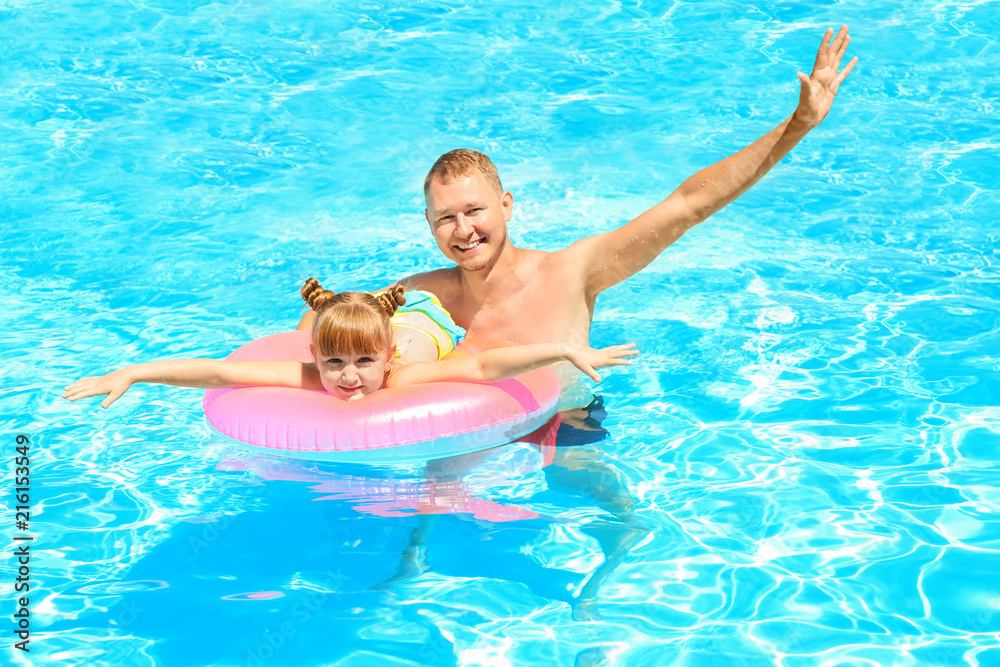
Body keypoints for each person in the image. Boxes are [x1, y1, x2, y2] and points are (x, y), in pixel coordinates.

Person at [297, 26, 858, 350]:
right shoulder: (416, 294)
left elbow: (689, 205)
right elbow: (325, 318)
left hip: (568, 428)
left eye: (475, 211)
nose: (463, 231)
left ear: (507, 205)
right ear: (429, 225)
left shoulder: (572, 273)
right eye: (446, 218)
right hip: (466, 434)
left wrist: (797, 126)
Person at [63, 278, 638, 408]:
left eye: (363, 362)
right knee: (304, 325)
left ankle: (381, 314)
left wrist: (564, 350)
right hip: (367, 323)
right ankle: (327, 312)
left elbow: (486, 365)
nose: (348, 376)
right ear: (318, 359)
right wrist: (135, 371)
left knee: (410, 320)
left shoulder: (399, 374)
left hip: (426, 324)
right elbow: (220, 373)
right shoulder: (313, 371)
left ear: (382, 360)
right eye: (334, 363)